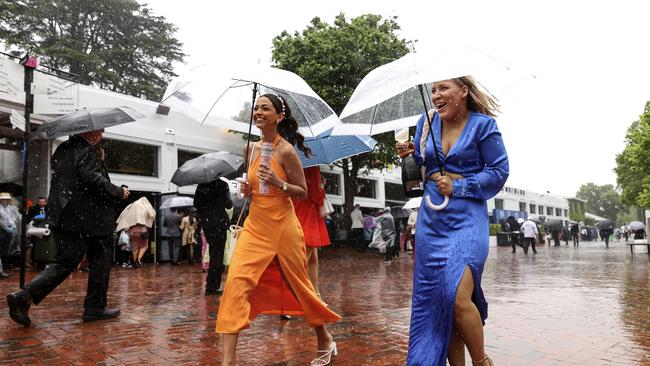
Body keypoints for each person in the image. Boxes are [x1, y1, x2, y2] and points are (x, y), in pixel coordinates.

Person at [216, 94, 340, 366]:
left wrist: (277, 182)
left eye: (265, 108)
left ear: (279, 117)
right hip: (255, 226)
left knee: (299, 286)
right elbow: (253, 190)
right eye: (256, 108)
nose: (258, 112)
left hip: (283, 226)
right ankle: (228, 362)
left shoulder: (286, 151)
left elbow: (302, 192)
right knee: (236, 283)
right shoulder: (249, 148)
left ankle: (324, 338)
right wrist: (247, 190)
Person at [396, 76, 509, 366]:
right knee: (438, 302)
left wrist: (459, 186)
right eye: (433, 90)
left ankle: (482, 362)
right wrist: (411, 155)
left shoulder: (484, 126)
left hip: (468, 219)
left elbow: (498, 172)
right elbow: (423, 164)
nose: (436, 95)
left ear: (463, 91)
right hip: (432, 220)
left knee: (457, 296)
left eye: (443, 88)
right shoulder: (427, 122)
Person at [6, 129, 129, 326]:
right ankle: (95, 307)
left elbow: (74, 176)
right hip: (89, 219)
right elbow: (93, 180)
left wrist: (96, 157)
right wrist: (118, 191)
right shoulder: (86, 150)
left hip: (64, 215)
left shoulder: (64, 148)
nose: (103, 134)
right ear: (91, 132)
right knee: (101, 258)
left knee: (66, 261)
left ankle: (25, 296)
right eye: (101, 131)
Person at [292, 166, 331, 298]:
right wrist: (321, 186)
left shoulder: (292, 161)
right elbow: (316, 195)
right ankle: (294, 295)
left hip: (296, 209)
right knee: (304, 258)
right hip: (308, 211)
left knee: (311, 257)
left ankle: (315, 294)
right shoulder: (312, 165)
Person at [194, 179, 233, 295]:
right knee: (218, 254)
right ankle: (212, 286)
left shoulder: (201, 185)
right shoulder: (222, 184)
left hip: (207, 223)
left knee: (212, 251)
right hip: (219, 223)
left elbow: (196, 204)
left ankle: (210, 283)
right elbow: (228, 204)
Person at [0, 192, 17, 278]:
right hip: (1, 231)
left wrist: (13, 227)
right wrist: (5, 228)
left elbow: (12, 218)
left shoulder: (10, 208)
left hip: (9, 232)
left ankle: (4, 268)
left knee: (5, 250)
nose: (4, 201)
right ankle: (1, 271)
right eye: (2, 199)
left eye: (6, 199)